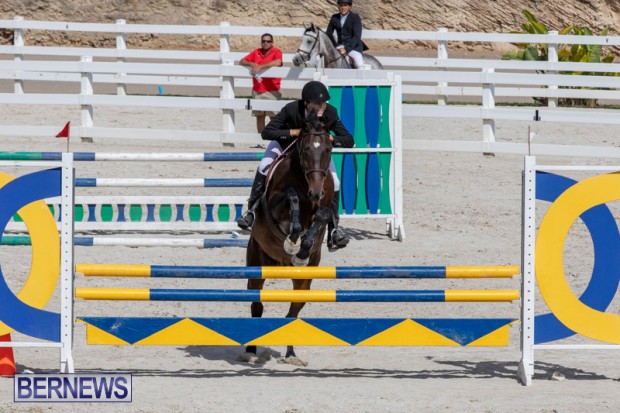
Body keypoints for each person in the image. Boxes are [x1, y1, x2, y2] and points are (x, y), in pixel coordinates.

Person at [237, 80, 352, 250]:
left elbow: (349, 140)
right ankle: (251, 211)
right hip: (285, 146)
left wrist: (330, 138)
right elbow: (267, 132)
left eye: (324, 102)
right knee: (264, 166)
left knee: (335, 182)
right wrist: (292, 132)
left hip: (314, 154)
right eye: (317, 103)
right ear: (306, 103)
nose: (322, 106)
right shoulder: (291, 109)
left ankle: (334, 229)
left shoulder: (330, 113)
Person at [239, 33, 283, 133]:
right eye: (263, 41)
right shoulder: (256, 52)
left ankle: (274, 139)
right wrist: (250, 63)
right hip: (257, 90)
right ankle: (261, 139)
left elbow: (278, 62)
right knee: (259, 117)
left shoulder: (277, 52)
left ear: (272, 43)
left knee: (274, 118)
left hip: (272, 90)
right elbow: (242, 61)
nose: (265, 43)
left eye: (268, 41)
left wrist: (260, 66)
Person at [325, 0, 367, 69]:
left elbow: (357, 36)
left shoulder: (355, 17)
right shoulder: (334, 17)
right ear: (338, 6)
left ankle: (361, 75)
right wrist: (334, 46)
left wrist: (346, 49)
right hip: (339, 46)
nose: (343, 8)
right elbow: (328, 34)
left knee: (359, 62)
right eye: (341, 5)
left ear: (349, 7)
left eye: (345, 5)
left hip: (353, 47)